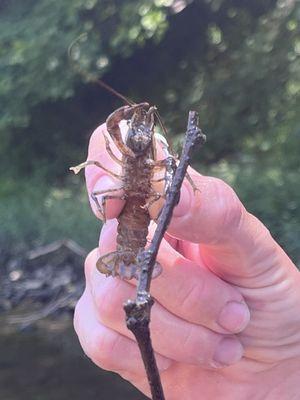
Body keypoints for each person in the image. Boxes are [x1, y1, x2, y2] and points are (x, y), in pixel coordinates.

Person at [74, 123, 300, 399]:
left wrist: (288, 370)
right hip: (127, 236)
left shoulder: (154, 163)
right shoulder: (133, 160)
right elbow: (111, 136)